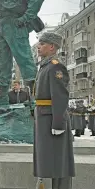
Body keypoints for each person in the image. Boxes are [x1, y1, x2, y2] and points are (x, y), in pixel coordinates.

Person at [0, 0, 45, 106]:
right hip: (3, 25)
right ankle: (2, 97)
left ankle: (34, 97)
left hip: (15, 24)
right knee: (3, 61)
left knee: (24, 59)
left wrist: (25, 18)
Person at [33, 32, 75, 189]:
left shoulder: (56, 66)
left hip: (52, 120)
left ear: (52, 47)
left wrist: (58, 124)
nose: (39, 46)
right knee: (48, 161)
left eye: (42, 44)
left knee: (59, 162)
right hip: (44, 118)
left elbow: (60, 97)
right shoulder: (45, 66)